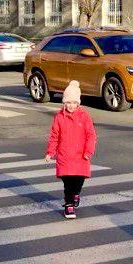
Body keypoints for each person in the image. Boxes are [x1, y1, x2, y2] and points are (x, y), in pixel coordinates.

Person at [45, 80, 97, 219]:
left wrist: (88, 152)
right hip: (64, 156)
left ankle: (76, 194)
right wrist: (51, 152)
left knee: (79, 180)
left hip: (81, 156)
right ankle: (69, 205)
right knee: (68, 182)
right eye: (68, 102)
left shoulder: (85, 116)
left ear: (78, 103)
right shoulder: (59, 117)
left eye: (74, 102)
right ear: (64, 102)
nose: (71, 106)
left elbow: (91, 135)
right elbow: (54, 135)